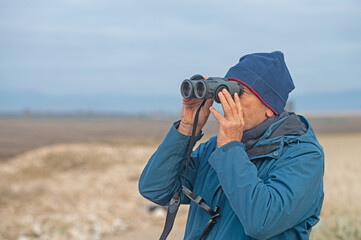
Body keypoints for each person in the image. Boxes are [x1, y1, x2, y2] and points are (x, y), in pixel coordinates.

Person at [139, 51, 324, 239]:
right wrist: (187, 127)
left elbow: (261, 222)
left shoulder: (303, 156)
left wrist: (231, 149)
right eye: (225, 91)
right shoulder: (216, 148)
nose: (228, 101)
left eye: (239, 92)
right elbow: (155, 189)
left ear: (270, 108)